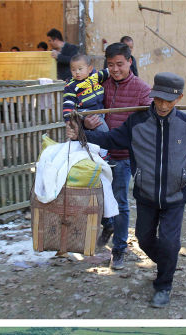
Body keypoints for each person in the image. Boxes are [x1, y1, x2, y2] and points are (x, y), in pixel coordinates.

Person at [68, 72, 186, 307]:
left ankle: (163, 285)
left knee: (169, 242)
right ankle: (167, 263)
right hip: (146, 194)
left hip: (174, 195)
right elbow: (111, 139)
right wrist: (82, 134)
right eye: (159, 99)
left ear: (179, 98)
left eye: (169, 100)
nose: (163, 105)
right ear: (152, 96)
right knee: (144, 239)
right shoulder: (137, 123)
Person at [82, 42, 151, 271]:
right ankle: (108, 225)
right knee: (98, 197)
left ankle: (119, 249)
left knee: (120, 202)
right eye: (110, 65)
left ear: (130, 62)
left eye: (119, 64)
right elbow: (85, 107)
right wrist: (86, 122)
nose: (115, 69)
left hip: (123, 155)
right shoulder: (100, 85)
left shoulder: (142, 89)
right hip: (98, 153)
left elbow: (150, 120)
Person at [63, 53, 117, 243]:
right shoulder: (71, 86)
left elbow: (109, 72)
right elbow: (68, 106)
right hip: (84, 116)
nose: (77, 73)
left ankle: (107, 223)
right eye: (73, 70)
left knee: (103, 132)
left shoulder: (95, 77)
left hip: (99, 114)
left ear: (89, 68)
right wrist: (71, 121)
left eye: (80, 69)